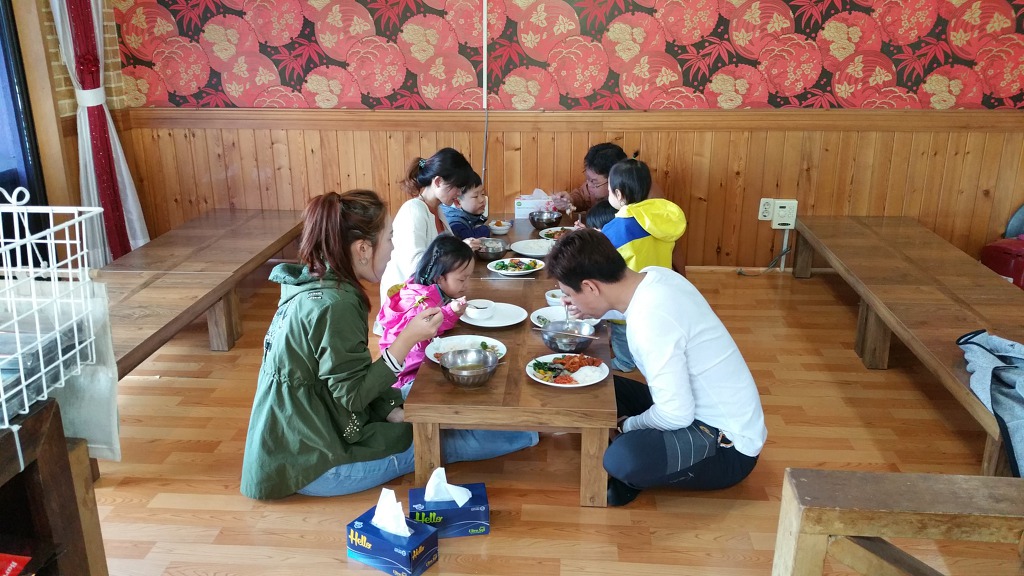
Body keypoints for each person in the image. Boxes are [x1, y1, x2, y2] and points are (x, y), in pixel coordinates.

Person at [241, 191, 537, 500]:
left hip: (307, 432)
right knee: (439, 438)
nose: (393, 248)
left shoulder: (315, 284)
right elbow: (352, 395)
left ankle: (516, 424)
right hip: (316, 459)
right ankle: (531, 430)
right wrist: (408, 337)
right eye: (390, 238)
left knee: (427, 401)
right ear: (363, 249)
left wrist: (389, 408)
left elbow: (343, 376)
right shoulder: (336, 304)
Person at [545, 229, 766, 507]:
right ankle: (635, 444)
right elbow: (627, 308)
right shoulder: (656, 277)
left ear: (590, 286)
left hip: (727, 446)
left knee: (622, 459)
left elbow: (675, 414)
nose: (568, 302)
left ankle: (636, 472)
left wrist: (628, 426)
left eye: (569, 294)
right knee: (590, 382)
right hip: (693, 406)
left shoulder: (649, 323)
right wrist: (590, 309)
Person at [601, 158, 686, 372]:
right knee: (650, 326)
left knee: (623, 329)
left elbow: (602, 255)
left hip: (630, 295)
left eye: (609, 190)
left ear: (619, 194)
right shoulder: (663, 218)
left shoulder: (618, 227)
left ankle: (625, 362)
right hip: (660, 288)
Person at [379, 148, 481, 307]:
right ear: (438, 181)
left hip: (426, 299)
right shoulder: (413, 211)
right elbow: (415, 267)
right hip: (405, 305)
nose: (459, 193)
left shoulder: (438, 210)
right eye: (457, 186)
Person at [377, 234, 473, 391]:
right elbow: (424, 330)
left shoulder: (426, 288)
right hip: (408, 376)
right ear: (439, 278)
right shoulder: (420, 303)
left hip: (417, 365)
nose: (467, 285)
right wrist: (450, 312)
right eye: (462, 280)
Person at [551, 143, 663, 213]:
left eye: (594, 182)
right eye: (587, 178)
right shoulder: (596, 184)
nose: (589, 185)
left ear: (613, 179)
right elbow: (582, 195)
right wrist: (570, 200)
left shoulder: (645, 199)